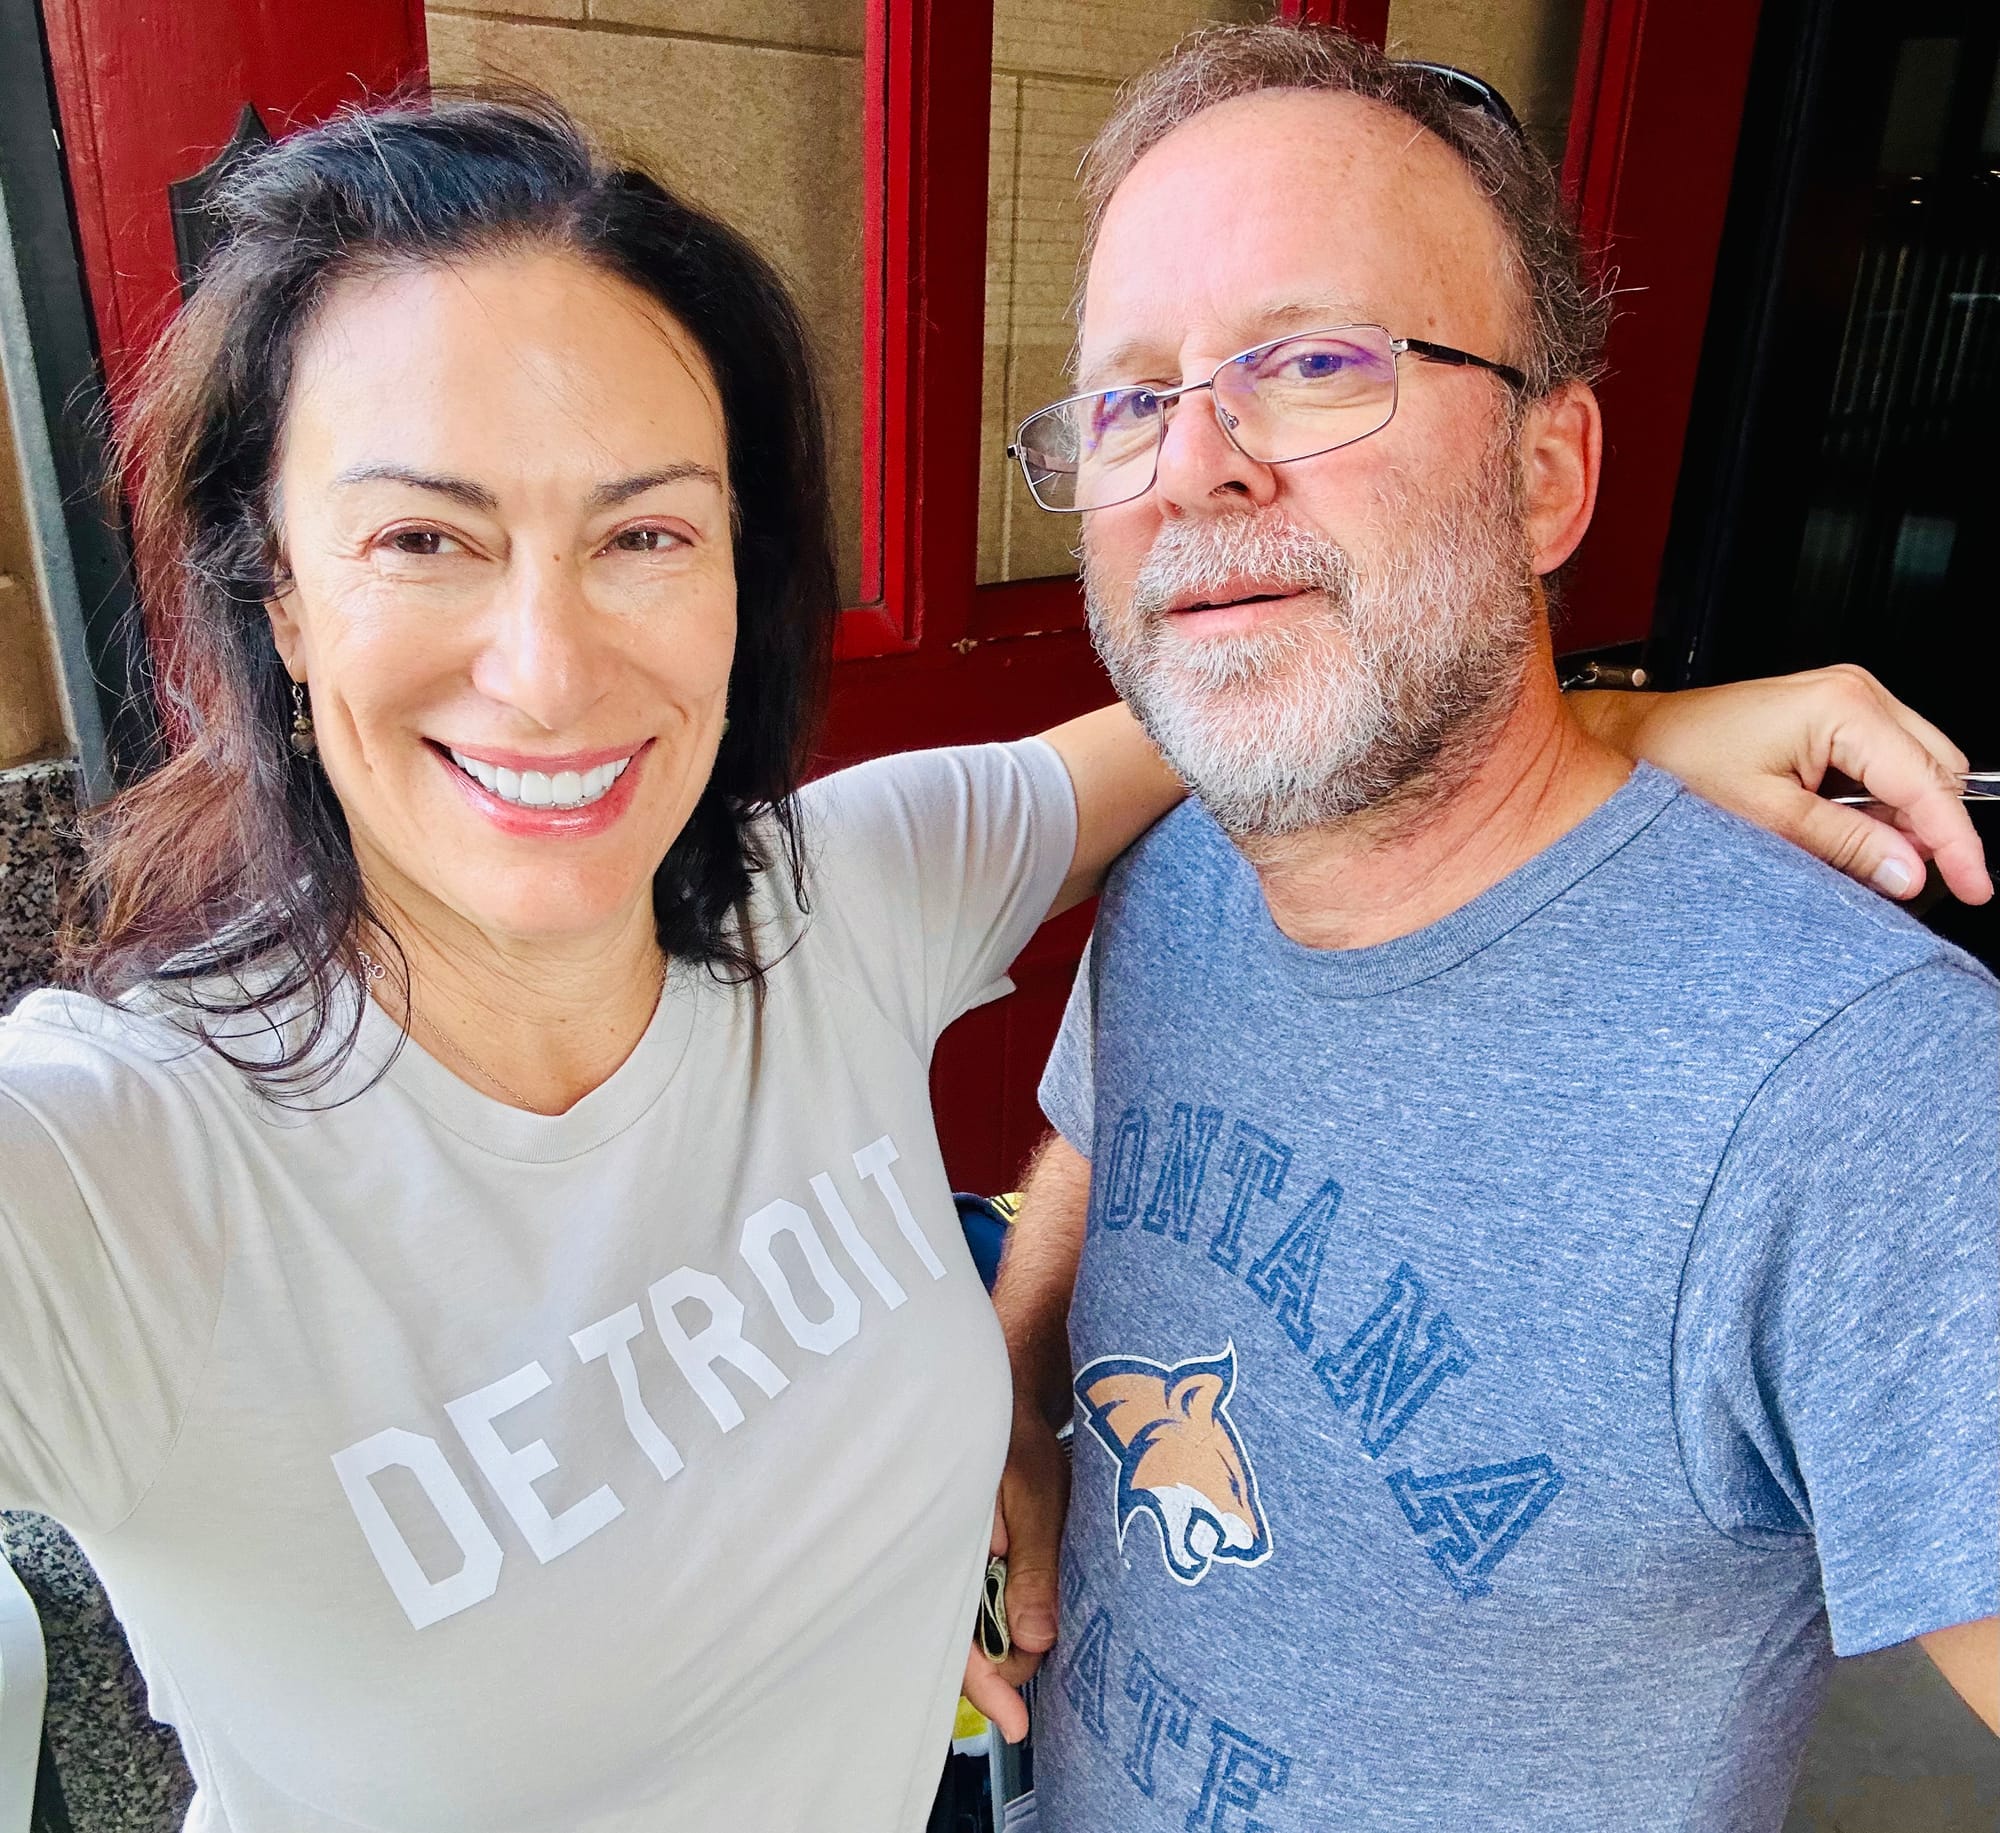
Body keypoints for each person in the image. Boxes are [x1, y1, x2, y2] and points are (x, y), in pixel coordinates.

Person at [0, 87, 1977, 1833]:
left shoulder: (830, 902)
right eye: (422, 539)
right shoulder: (117, 1164)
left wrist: (1595, 728)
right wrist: (1021, 1387)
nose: (543, 663)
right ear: (276, 594)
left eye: (644, 535)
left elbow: (1279, 700)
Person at [967, 23, 1999, 1833]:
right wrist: (1010, 1390)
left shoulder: (1862, 1085)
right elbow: (1102, 1137)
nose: (1193, 465)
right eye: (1132, 399)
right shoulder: (1187, 857)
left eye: (1313, 362)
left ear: (1546, 477)